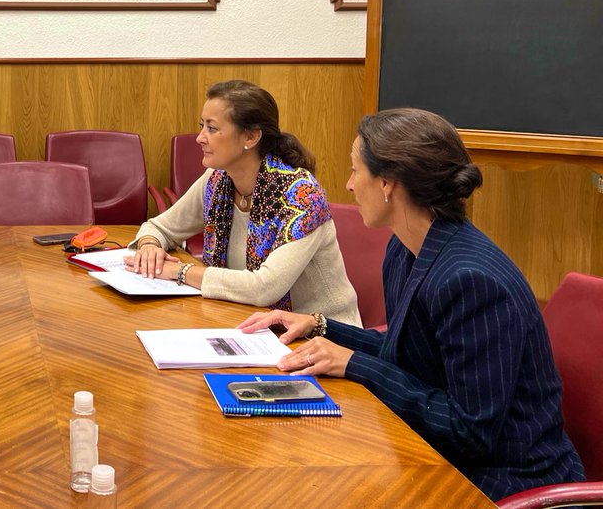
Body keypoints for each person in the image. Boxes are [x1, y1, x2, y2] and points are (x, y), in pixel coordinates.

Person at [238, 108, 585, 501]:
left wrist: (353, 363)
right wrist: (320, 326)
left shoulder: (471, 281)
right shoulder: (405, 249)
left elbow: (469, 434)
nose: (349, 185)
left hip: (506, 481)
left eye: (355, 170)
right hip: (439, 456)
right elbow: (404, 353)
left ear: (388, 182)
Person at [124, 80, 360, 325]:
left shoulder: (301, 196)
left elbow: (264, 288)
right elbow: (160, 227)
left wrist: (180, 271)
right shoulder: (216, 180)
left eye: (212, 129)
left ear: (251, 136)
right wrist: (150, 247)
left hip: (323, 336)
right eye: (201, 126)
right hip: (249, 321)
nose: (200, 138)